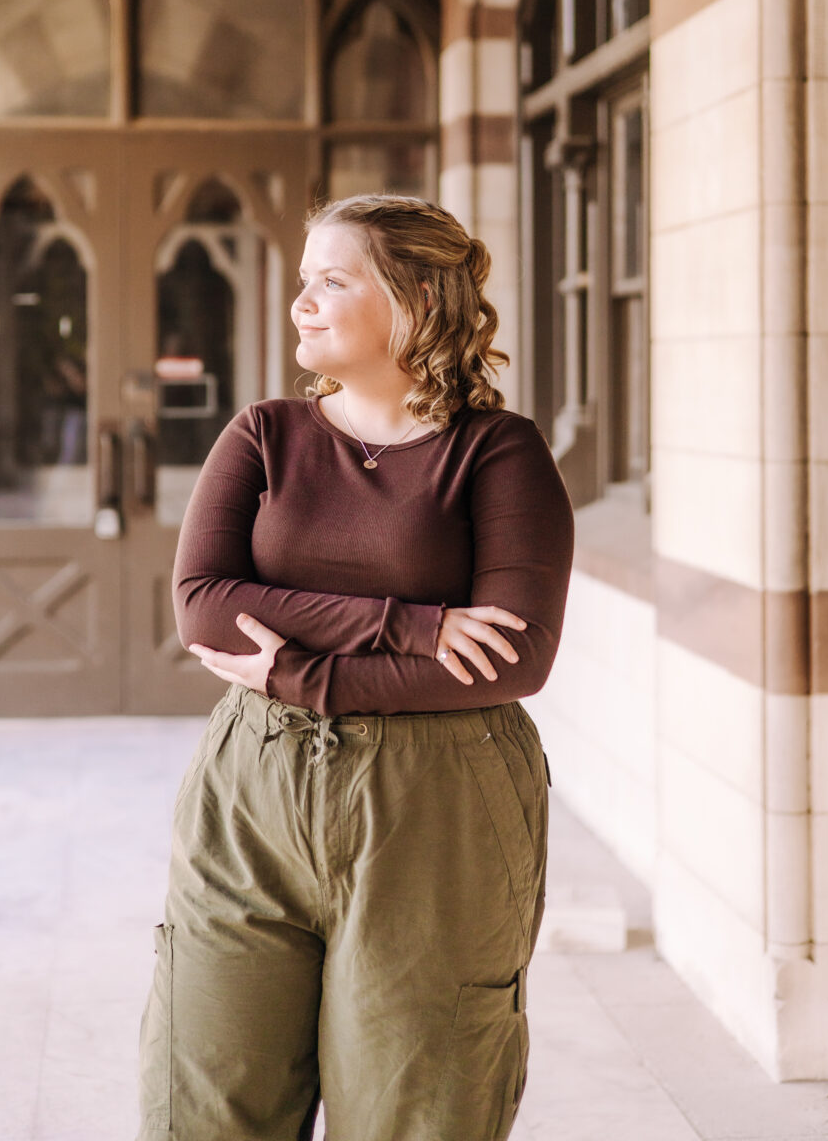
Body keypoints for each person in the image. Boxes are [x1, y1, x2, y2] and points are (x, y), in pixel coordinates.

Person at [137, 194, 574, 1141]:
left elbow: (511, 660)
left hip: (438, 804)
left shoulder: (497, 454)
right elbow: (207, 604)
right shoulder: (263, 435)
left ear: (416, 299)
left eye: (333, 280)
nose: (303, 302)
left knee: (417, 1109)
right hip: (252, 793)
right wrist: (412, 627)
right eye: (305, 280)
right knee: (205, 1098)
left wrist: (302, 670)